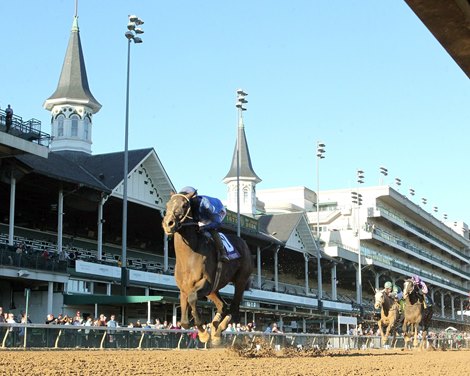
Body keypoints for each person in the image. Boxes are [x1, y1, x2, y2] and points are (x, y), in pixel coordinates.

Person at [179, 186, 229, 262]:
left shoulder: (205, 205)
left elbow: (217, 223)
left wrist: (204, 227)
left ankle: (223, 252)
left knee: (211, 229)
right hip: (200, 212)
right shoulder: (189, 204)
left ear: (193, 198)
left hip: (217, 211)